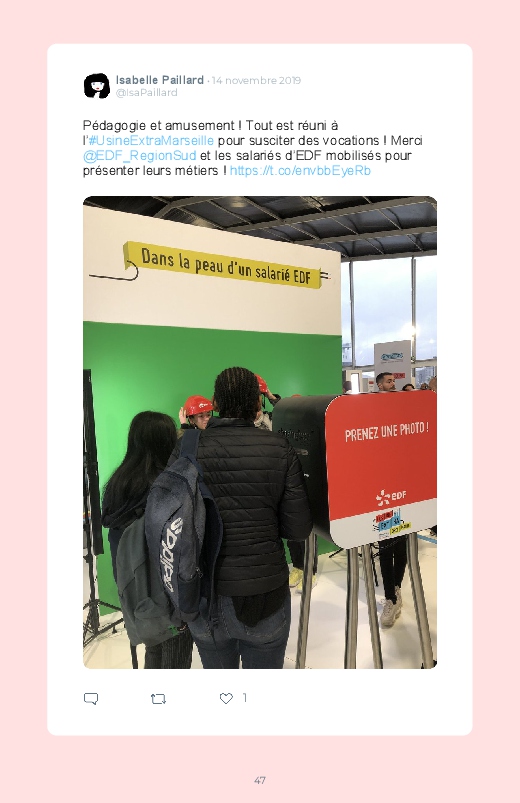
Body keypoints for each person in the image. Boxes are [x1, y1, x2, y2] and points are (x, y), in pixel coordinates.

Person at [178, 366, 312, 669]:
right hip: (265, 593)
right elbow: (298, 528)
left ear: (215, 402)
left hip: (205, 594)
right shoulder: (279, 447)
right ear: (256, 404)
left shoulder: (187, 449)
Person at [101, 411, 193, 668]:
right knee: (175, 660)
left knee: (154, 649)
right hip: (168, 598)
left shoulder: (118, 483)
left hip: (135, 592)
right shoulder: (165, 488)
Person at [375, 375, 407, 627]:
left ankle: (396, 589)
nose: (392, 383)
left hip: (405, 492)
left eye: (392, 381)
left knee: (402, 546)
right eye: (387, 381)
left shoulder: (404, 411)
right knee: (385, 547)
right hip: (381, 494)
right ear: (379, 385)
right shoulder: (372, 413)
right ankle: (389, 597)